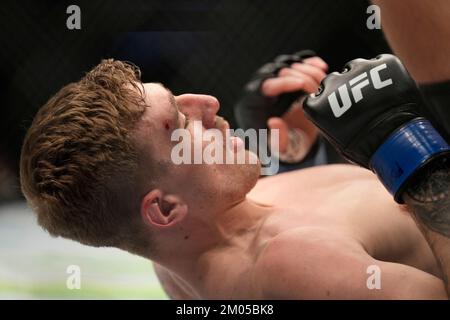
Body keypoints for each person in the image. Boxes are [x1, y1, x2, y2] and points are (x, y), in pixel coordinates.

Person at [20, 59, 448, 299]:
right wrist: (407, 149)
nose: (206, 103)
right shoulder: (292, 263)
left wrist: (298, 152)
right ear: (165, 208)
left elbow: (346, 221)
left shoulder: (179, 254)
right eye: (179, 122)